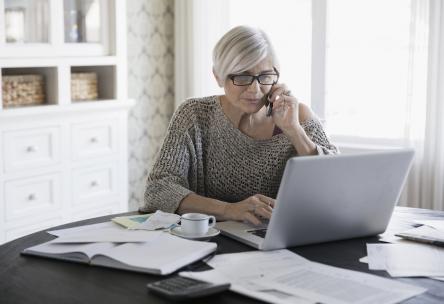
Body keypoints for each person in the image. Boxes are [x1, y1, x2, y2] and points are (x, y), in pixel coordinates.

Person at [141, 25, 338, 225]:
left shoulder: (297, 115)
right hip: (210, 239)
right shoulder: (194, 114)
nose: (255, 89)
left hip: (278, 239)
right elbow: (158, 190)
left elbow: (337, 184)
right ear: (218, 76)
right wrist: (230, 210)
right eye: (242, 76)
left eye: (264, 76)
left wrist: (294, 131)